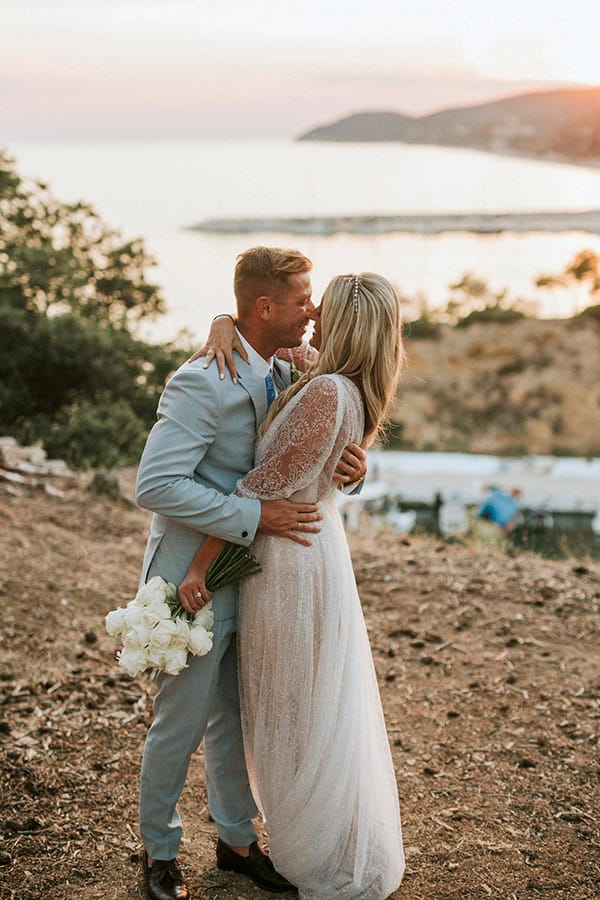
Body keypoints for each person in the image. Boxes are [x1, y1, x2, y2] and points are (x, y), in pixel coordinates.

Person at [134, 246, 367, 900]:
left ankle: (237, 841)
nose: (314, 310)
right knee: (178, 724)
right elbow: (155, 485)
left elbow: (316, 438)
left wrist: (354, 467)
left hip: (260, 581)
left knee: (238, 718)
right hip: (194, 576)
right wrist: (252, 514)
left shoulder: (297, 366)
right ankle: (159, 852)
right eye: (301, 300)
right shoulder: (202, 379)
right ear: (264, 307)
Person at [180, 272, 406, 899]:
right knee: (301, 704)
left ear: (346, 321)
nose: (308, 314)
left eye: (320, 307)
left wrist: (198, 566)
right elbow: (271, 341)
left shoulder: (327, 391)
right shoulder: (331, 378)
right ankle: (319, 834)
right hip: (306, 551)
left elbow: (257, 488)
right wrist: (223, 323)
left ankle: (320, 849)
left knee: (293, 710)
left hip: (290, 564)